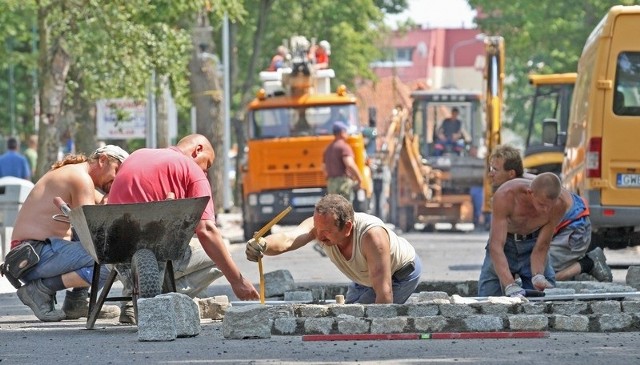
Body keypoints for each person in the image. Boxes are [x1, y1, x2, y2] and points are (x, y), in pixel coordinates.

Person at [108, 134, 259, 324]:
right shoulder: (192, 170)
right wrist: (237, 281)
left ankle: (132, 301)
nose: (206, 173)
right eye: (208, 165)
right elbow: (206, 231)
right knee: (221, 254)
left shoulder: (138, 155)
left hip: (113, 253)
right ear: (198, 150)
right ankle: (168, 299)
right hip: (152, 256)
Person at [3, 145, 128, 321]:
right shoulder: (79, 178)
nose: (115, 180)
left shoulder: (79, 175)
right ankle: (39, 290)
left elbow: (105, 206)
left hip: (32, 255)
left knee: (97, 247)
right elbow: (93, 227)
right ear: (103, 160)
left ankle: (76, 303)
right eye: (117, 171)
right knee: (113, 257)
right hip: (32, 256)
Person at [245, 194, 422, 304]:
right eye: (317, 229)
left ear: (347, 227)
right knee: (350, 315)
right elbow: (288, 239)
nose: (319, 237)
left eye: (327, 232)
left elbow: (384, 295)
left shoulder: (372, 237)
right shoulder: (320, 226)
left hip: (401, 275)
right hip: (364, 279)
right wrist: (263, 244)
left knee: (360, 318)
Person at [480, 145, 611, 286]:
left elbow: (541, 246)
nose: (490, 174)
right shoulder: (512, 192)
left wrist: (533, 277)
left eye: (495, 170)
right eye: (490, 168)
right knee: (528, 273)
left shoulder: (535, 191)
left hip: (574, 224)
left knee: (544, 274)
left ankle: (589, 263)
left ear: (511, 173)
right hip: (565, 220)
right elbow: (498, 243)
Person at [478, 172, 566, 298]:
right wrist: (510, 285)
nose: (546, 210)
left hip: (533, 243)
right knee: (487, 299)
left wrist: (538, 275)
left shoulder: (559, 205)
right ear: (530, 193)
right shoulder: (506, 196)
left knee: (545, 299)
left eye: (549, 206)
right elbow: (496, 245)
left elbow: (543, 245)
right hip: (505, 244)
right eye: (541, 204)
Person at [323, 121, 362, 203]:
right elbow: (350, 164)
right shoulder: (344, 147)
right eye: (345, 131)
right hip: (343, 184)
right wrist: (359, 179)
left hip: (331, 185)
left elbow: (324, 168)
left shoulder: (328, 149)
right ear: (341, 132)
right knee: (345, 210)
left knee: (334, 209)